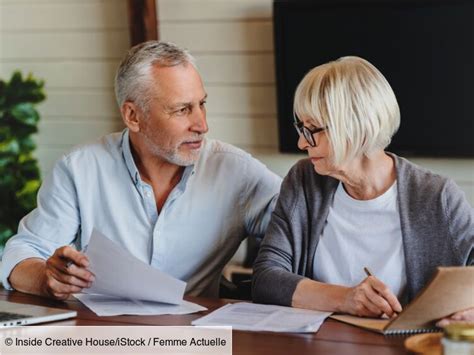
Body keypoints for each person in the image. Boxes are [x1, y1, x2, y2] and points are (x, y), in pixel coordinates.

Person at [2, 41, 282, 300]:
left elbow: (306, 221)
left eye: (201, 104)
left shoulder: (235, 172)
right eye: (182, 109)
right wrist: (46, 278)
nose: (201, 125)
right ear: (133, 116)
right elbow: (21, 253)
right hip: (99, 336)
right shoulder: (79, 169)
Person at [252, 56, 473, 324]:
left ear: (354, 127)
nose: (301, 142)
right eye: (301, 128)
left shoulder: (438, 197)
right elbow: (266, 278)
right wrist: (346, 298)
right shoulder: (304, 181)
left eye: (312, 130)